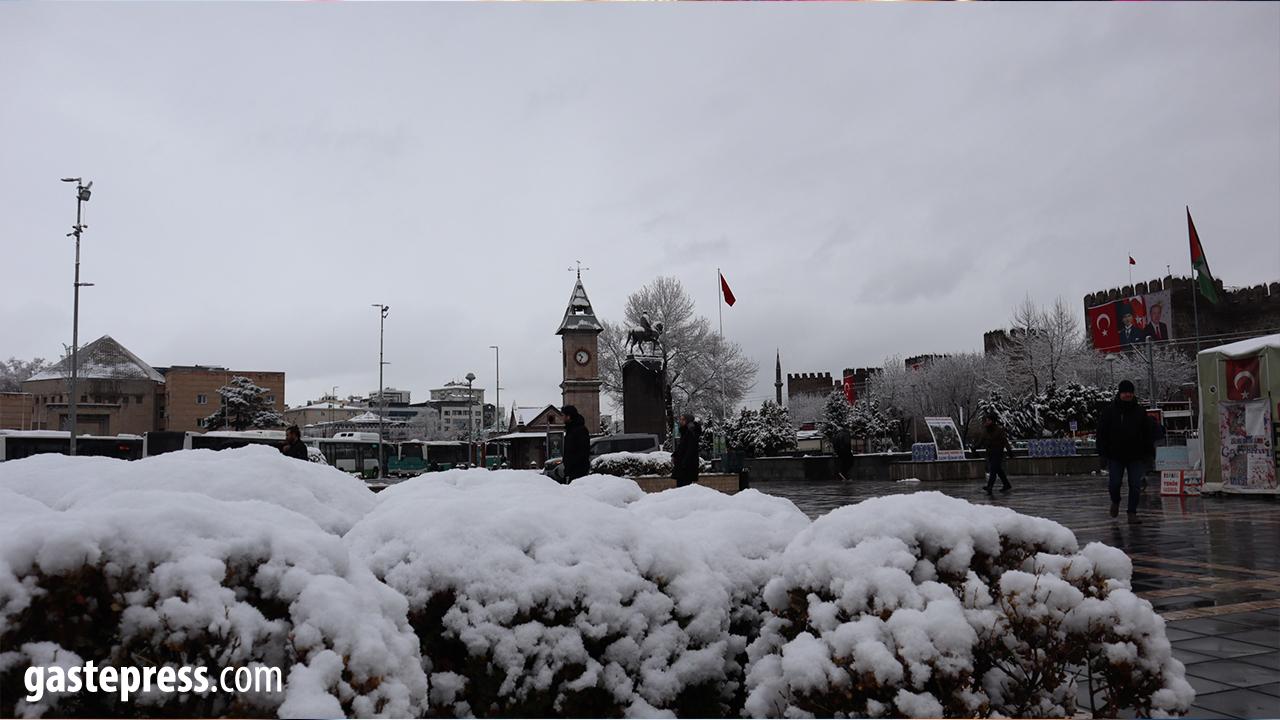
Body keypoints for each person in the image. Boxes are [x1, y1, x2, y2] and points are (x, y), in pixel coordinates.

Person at [1096, 379, 1156, 522]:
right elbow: (1101, 433)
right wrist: (1102, 454)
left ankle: (1132, 513)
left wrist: (1149, 455)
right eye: (1125, 392)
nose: (1128, 395)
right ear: (1120, 393)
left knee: (1135, 484)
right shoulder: (1110, 411)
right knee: (1114, 483)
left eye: (1130, 392)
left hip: (1135, 455)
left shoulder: (1140, 412)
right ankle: (1115, 501)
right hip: (1115, 455)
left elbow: (1147, 434)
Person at [976, 414, 1013, 493]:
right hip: (990, 453)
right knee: (998, 470)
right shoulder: (986, 430)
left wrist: (1009, 451)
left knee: (993, 469)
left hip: (998, 452)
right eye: (987, 420)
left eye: (989, 420)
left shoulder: (999, 430)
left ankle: (990, 486)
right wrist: (975, 447)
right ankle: (1006, 484)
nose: (987, 421)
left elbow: (1005, 441)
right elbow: (981, 441)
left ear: (993, 421)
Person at [561, 405, 590, 482]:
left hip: (578, 470)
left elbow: (583, 451)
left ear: (568, 416)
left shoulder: (580, 430)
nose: (562, 418)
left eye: (563, 415)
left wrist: (571, 465)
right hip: (570, 470)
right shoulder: (570, 429)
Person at [672, 413, 702, 487]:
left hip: (686, 467)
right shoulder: (685, 432)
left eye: (683, 419)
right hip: (683, 465)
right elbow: (682, 447)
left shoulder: (691, 432)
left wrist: (684, 462)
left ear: (688, 421)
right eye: (680, 419)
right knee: (681, 488)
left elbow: (690, 449)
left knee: (684, 488)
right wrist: (675, 455)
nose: (680, 421)